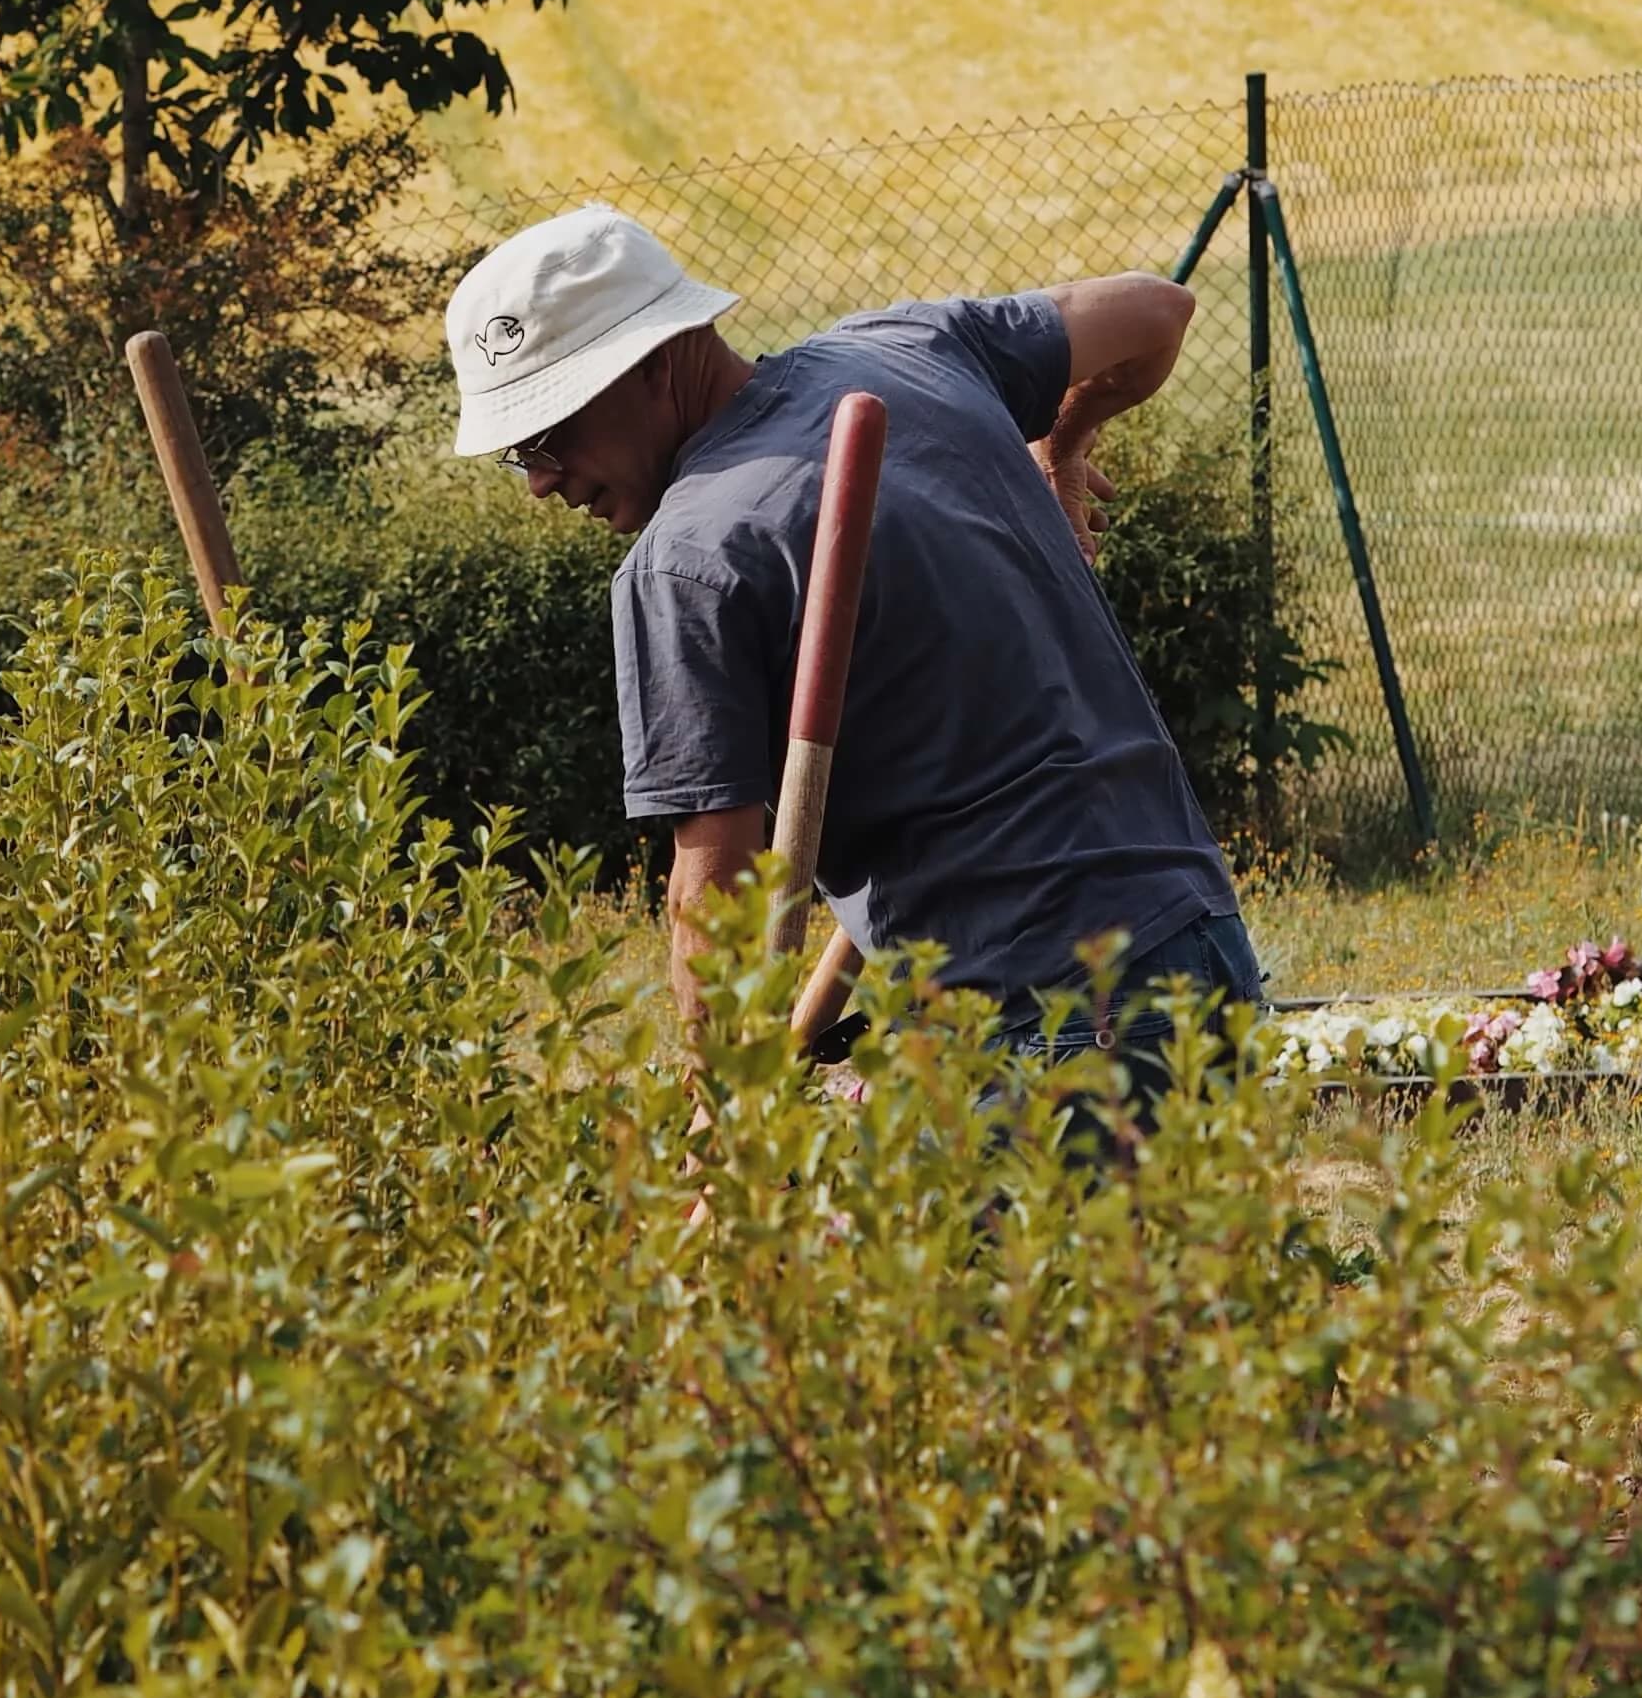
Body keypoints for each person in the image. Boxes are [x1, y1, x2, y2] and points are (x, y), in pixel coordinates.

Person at [446, 201, 1260, 1087]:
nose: (537, 481)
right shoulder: (909, 349)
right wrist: (1058, 446)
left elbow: (712, 906)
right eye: (517, 451)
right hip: (1200, 950)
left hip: (1038, 1016)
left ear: (650, 361)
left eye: (549, 431)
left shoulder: (688, 561)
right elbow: (1152, 311)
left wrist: (724, 1127)